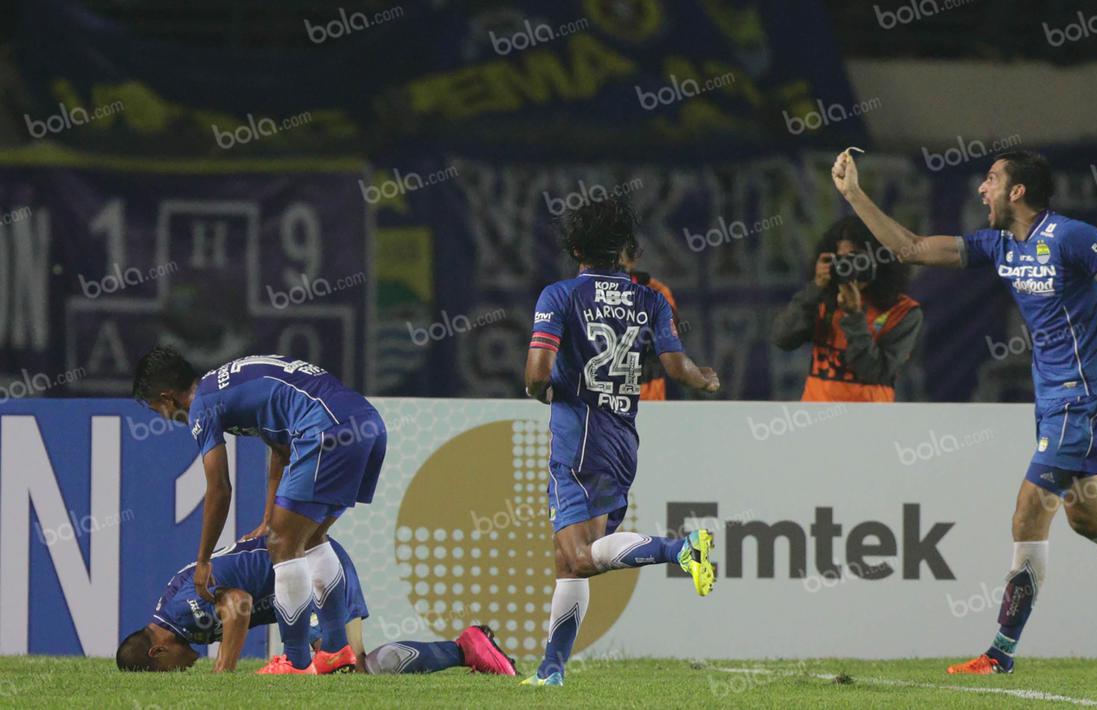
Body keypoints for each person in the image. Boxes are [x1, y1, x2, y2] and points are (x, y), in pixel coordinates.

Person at [831, 148, 1097, 674]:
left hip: (1083, 395)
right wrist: (854, 194)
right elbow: (911, 248)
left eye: (991, 180)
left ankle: (1000, 653)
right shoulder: (998, 245)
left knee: (1028, 511)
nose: (982, 189)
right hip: (1053, 400)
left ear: (1017, 191)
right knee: (1088, 518)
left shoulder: (1073, 236)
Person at [521, 195, 720, 687]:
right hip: (622, 438)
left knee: (580, 554)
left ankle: (680, 549)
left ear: (575, 248)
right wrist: (705, 378)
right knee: (570, 563)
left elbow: (537, 374)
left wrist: (543, 392)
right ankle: (551, 670)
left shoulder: (560, 295)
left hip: (579, 439)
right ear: (623, 249)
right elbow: (676, 367)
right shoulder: (650, 299)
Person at [131, 348, 386, 674]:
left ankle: (296, 661)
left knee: (282, 544)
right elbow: (281, 451)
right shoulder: (226, 385)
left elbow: (220, 488)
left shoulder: (201, 406)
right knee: (311, 538)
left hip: (327, 428)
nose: (166, 418)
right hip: (366, 424)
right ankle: (335, 650)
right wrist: (268, 517)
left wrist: (204, 560)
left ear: (167, 398)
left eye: (159, 410)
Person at [115, 536, 515, 676]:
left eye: (165, 673)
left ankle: (466, 649)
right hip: (301, 582)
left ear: (157, 651)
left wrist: (225, 674)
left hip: (313, 567)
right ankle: (466, 648)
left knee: (348, 667)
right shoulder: (174, 613)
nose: (180, 674)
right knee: (353, 668)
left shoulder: (180, 614)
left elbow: (239, 603)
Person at [771, 216, 921, 401]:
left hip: (870, 416)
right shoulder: (823, 299)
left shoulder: (902, 311)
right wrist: (815, 288)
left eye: (859, 260)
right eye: (843, 260)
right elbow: (783, 339)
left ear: (882, 261)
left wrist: (853, 316)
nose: (851, 268)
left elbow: (875, 373)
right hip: (814, 414)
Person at [620, 245, 681, 400]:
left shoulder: (657, 291)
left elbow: (669, 332)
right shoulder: (588, 291)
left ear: (632, 261)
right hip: (604, 394)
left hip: (649, 393)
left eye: (619, 260)